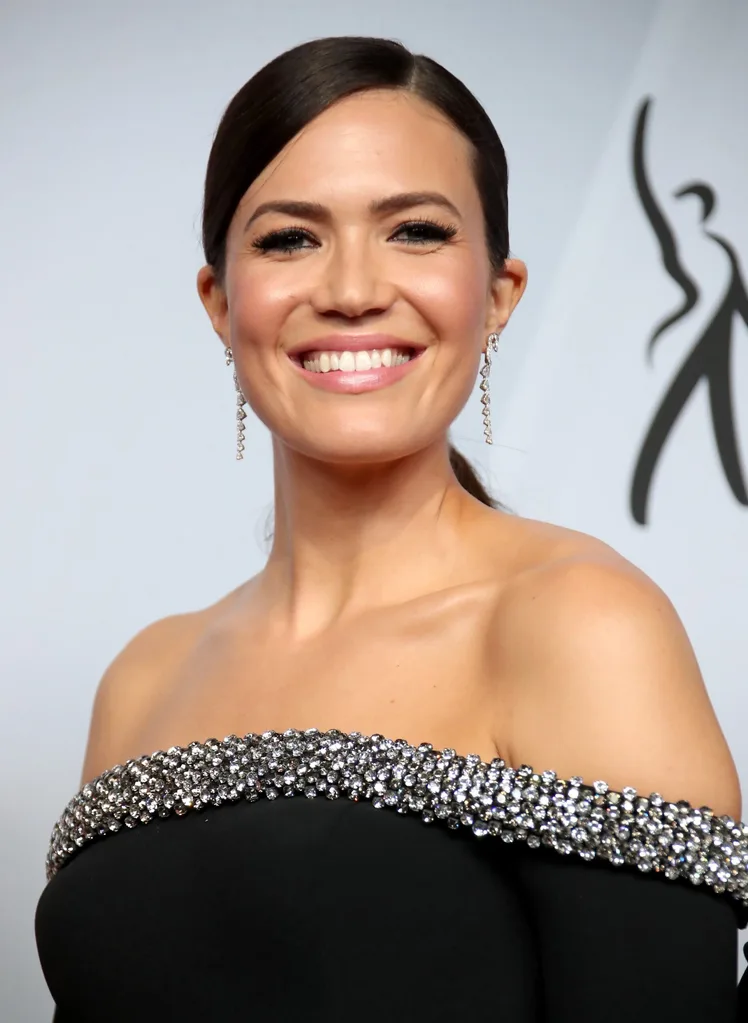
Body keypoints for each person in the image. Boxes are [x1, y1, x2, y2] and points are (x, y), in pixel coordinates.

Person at [35, 35, 748, 1021]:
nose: (352, 289)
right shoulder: (143, 682)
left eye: (415, 230)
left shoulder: (576, 625)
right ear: (220, 302)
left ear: (497, 296)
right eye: (290, 239)